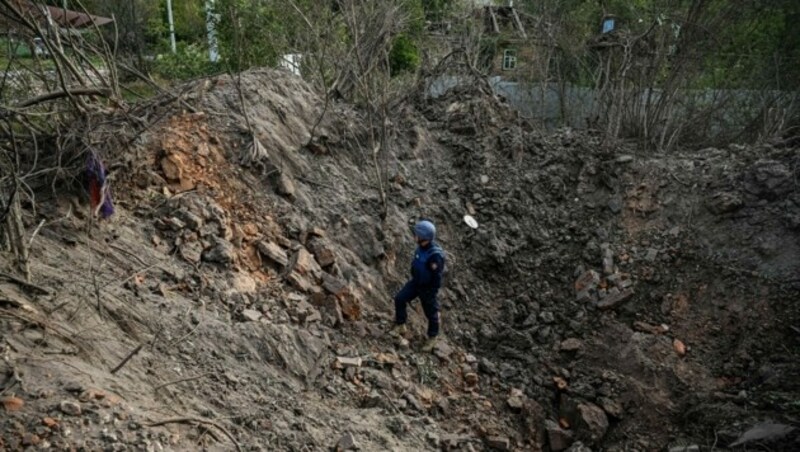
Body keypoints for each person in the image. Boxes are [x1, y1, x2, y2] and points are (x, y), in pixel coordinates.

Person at [391, 220, 446, 352]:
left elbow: (437, 277)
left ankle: (432, 338)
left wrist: (431, 292)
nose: (414, 236)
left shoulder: (435, 256)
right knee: (400, 299)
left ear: (423, 237)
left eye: (416, 234)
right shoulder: (421, 247)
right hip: (416, 282)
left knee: (431, 314)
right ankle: (401, 324)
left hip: (427, 289)